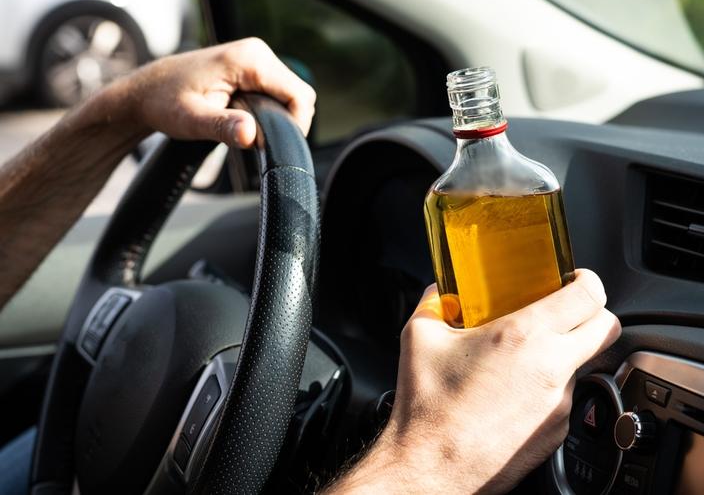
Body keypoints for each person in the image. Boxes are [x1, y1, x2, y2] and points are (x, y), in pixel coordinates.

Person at [0, 38, 621, 494]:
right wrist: (434, 455)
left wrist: (123, 108)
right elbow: (436, 450)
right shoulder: (463, 197)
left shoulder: (488, 191)